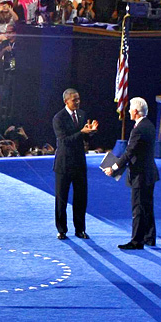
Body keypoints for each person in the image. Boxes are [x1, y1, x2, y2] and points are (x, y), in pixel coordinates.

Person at [104, 97, 158, 249]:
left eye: (129, 110)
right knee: (147, 206)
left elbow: (128, 153)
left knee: (138, 208)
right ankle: (149, 237)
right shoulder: (149, 125)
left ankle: (136, 241)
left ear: (135, 111)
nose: (128, 112)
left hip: (140, 175)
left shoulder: (138, 129)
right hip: (149, 173)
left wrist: (113, 168)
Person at [51, 89, 97, 240]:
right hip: (64, 164)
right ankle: (62, 230)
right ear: (66, 101)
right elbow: (64, 141)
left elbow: (83, 139)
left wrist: (90, 132)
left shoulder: (82, 115)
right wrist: (82, 133)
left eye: (78, 99)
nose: (77, 102)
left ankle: (80, 229)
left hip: (79, 163)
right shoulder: (58, 118)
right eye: (74, 100)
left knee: (81, 198)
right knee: (61, 198)